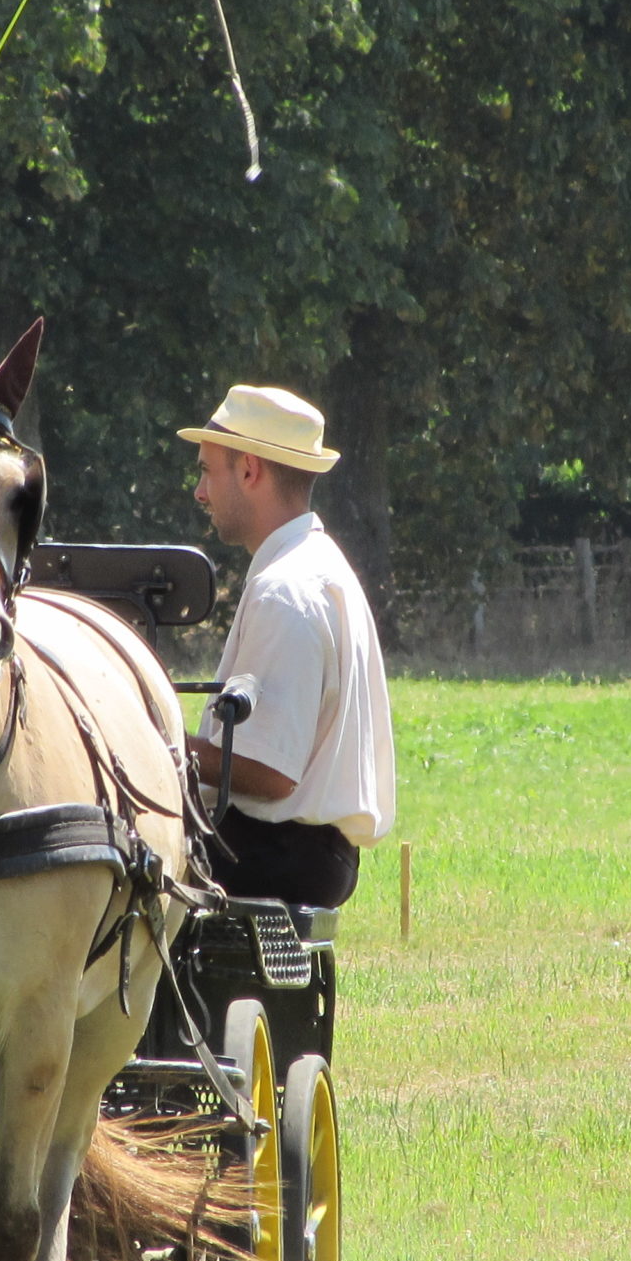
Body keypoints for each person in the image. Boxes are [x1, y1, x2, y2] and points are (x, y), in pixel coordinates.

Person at [179, 384, 395, 907]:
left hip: (277, 853)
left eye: (207, 470)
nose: (199, 492)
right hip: (299, 853)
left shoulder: (288, 589)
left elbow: (271, 772)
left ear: (249, 471)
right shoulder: (309, 564)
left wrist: (150, 744)